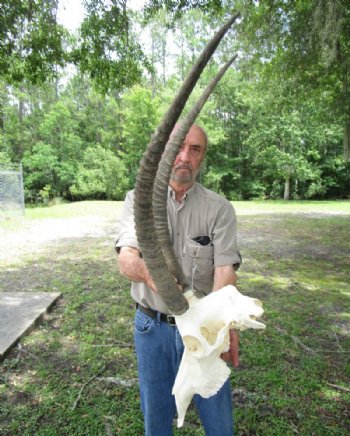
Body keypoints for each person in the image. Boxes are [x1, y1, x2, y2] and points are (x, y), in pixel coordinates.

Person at [115, 123, 241, 435]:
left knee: (220, 424)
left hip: (204, 328)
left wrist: (226, 325)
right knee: (156, 423)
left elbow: (225, 273)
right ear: (165, 153)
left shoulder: (219, 208)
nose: (185, 156)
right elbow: (127, 259)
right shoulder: (137, 200)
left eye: (195, 149)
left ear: (202, 158)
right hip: (152, 328)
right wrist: (152, 276)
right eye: (179, 148)